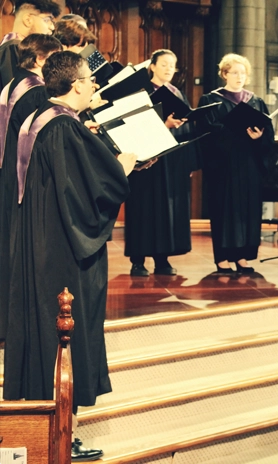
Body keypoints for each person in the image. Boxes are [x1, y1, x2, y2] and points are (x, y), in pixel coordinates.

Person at [1, 51, 137, 461]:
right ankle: (60, 433)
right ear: (76, 84)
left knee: (40, 331)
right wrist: (123, 168)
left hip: (35, 246)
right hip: (61, 252)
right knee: (63, 333)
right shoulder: (63, 128)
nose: (94, 86)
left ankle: (44, 426)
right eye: (90, 81)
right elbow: (87, 192)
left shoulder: (37, 121)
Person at [0, 34, 62, 342]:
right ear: (40, 59)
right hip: (24, 178)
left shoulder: (14, 84)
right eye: (54, 56)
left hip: (8, 172)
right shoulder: (36, 92)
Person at [124, 49, 200, 277]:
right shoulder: (141, 92)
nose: (169, 69)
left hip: (172, 160)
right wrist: (163, 125)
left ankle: (162, 259)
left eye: (172, 65)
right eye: (164, 64)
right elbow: (134, 125)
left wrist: (188, 163)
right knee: (144, 209)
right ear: (153, 66)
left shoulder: (177, 92)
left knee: (167, 210)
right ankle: (138, 260)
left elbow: (187, 127)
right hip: (147, 161)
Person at [197, 53, 276, 273]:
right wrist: (236, 132)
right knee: (224, 209)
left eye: (243, 73)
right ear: (224, 74)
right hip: (224, 166)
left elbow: (268, 134)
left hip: (250, 164)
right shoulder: (211, 100)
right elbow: (206, 133)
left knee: (247, 211)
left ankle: (242, 256)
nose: (239, 76)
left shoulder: (255, 101)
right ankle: (222, 257)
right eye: (235, 72)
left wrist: (259, 136)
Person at [0, 0, 61, 90]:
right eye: (47, 20)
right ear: (28, 20)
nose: (52, 27)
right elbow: (16, 95)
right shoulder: (12, 48)